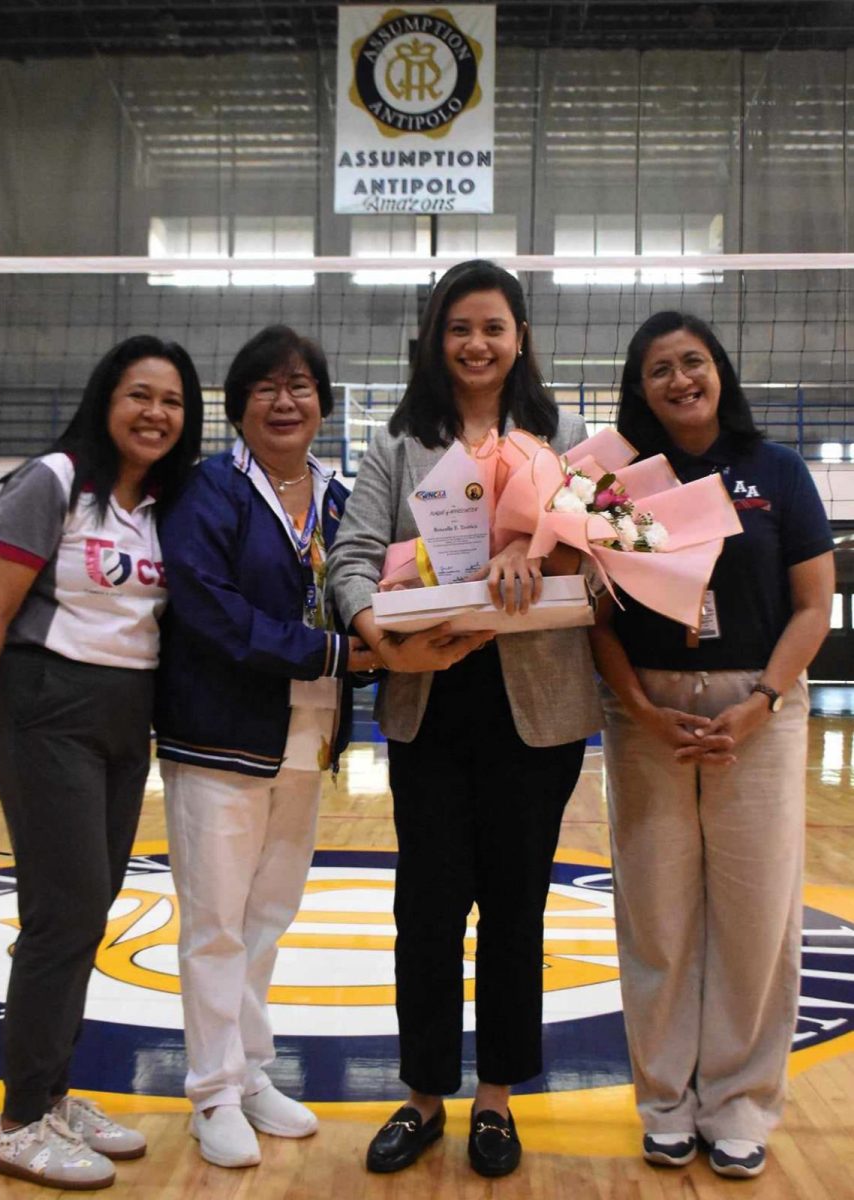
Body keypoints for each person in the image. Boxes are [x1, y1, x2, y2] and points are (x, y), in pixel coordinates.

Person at [0, 335, 204, 1190]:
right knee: (63, 912)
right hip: (45, 709)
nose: (155, 413)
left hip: (126, 716)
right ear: (105, 399)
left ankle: (53, 1096)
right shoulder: (52, 482)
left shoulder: (162, 504)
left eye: (173, 402)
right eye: (140, 395)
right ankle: (18, 1120)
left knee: (88, 910)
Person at [328, 260, 602, 1178]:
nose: (476, 343)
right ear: (434, 341)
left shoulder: (565, 440)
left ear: (521, 338)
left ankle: (496, 1101)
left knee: (516, 908)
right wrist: (378, 635)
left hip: (537, 711)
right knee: (428, 908)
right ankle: (422, 1097)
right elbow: (352, 557)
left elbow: (599, 557)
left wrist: (539, 547)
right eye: (459, 327)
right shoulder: (397, 446)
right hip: (429, 700)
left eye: (493, 326)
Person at [589, 311, 833, 1179]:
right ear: (640, 389)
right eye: (659, 369)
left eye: (693, 362)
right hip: (647, 715)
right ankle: (665, 1102)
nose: (680, 379)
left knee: (756, 915)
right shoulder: (617, 484)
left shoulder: (778, 471)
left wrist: (764, 702)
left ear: (720, 371)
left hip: (757, 710)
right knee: (656, 912)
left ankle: (739, 1104)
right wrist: (640, 708)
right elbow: (597, 619)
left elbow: (815, 605)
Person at [154, 324, 379, 1170]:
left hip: (308, 732)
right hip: (218, 733)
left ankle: (249, 1072)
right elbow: (212, 614)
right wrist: (332, 652)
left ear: (322, 401)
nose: (285, 401)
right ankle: (211, 1093)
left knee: (267, 916)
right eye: (266, 387)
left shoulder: (340, 498)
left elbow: (369, 591)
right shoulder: (206, 490)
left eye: (300, 386)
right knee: (215, 922)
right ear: (238, 405)